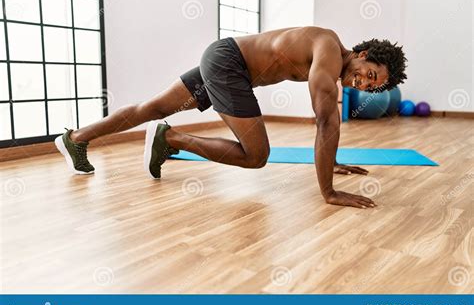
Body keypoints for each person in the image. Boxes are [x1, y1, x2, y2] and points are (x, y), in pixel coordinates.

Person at [55, 26, 407, 208]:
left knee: (151, 108)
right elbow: (327, 121)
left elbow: (328, 122)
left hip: (224, 58)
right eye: (369, 74)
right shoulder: (329, 51)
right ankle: (169, 138)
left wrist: (332, 162)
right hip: (228, 65)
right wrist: (328, 191)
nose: (363, 84)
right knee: (256, 155)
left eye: (372, 87)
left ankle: (76, 139)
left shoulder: (328, 53)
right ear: (361, 54)